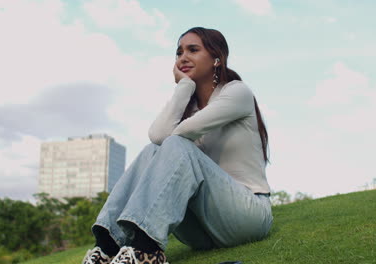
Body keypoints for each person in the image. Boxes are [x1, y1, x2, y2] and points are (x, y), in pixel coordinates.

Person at [82, 26, 273, 264]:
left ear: (216, 59)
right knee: (154, 149)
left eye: (193, 50)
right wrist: (184, 89)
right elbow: (156, 136)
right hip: (204, 230)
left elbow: (178, 135)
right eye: (179, 52)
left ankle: (145, 252)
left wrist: (183, 85)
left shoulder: (237, 92)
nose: (183, 58)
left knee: (174, 144)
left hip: (248, 214)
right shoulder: (188, 107)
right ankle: (107, 246)